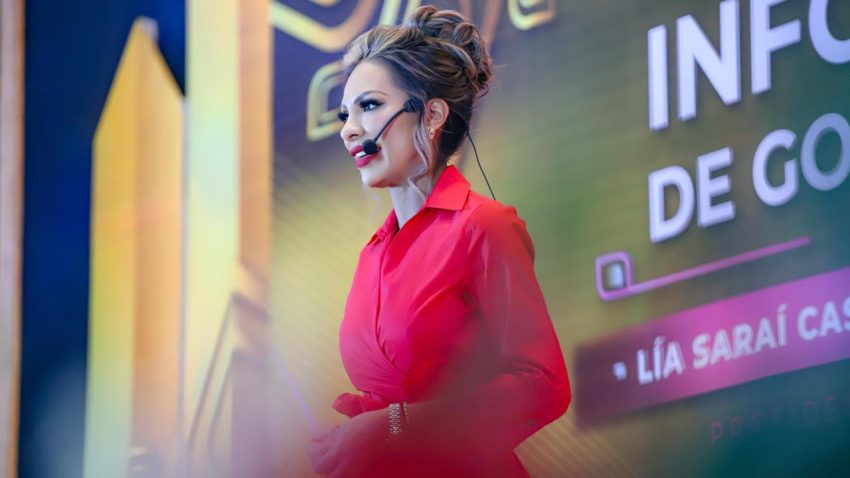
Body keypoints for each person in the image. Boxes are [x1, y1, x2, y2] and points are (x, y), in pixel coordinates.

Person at [305, 6, 570, 477]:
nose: (349, 129)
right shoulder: (372, 254)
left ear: (431, 114)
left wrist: (392, 426)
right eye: (346, 113)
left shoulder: (483, 227)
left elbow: (543, 385)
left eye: (369, 106)